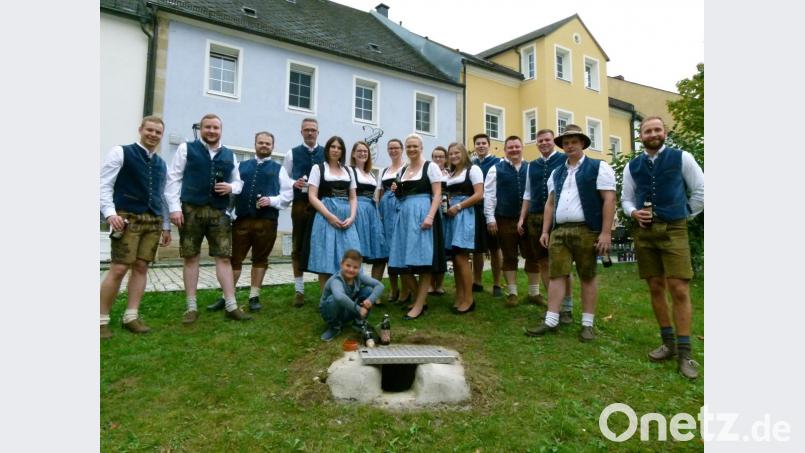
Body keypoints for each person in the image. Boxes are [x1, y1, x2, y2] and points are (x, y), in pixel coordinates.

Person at [621, 116, 704, 379]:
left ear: (664, 132)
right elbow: (626, 198)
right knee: (655, 285)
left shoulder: (682, 158)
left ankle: (685, 352)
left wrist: (684, 214)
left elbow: (701, 189)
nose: (653, 134)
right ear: (641, 136)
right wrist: (633, 212)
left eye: (657, 129)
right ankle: (667, 343)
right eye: (647, 131)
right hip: (645, 232)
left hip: (674, 229)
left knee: (678, 288)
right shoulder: (633, 165)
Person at [525, 125, 615, 342]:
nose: (570, 146)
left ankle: (587, 324)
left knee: (587, 275)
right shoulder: (557, 172)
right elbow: (549, 203)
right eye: (566, 143)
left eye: (574, 141)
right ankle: (551, 320)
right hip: (560, 230)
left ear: (583, 143)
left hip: (587, 229)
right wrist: (546, 231)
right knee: (557, 275)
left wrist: (605, 233)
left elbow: (609, 199)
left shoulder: (598, 167)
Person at [165, 113, 251, 323]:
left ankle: (231, 305)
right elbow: (173, 179)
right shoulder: (187, 148)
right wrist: (174, 208)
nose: (212, 131)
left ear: (221, 130)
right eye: (208, 127)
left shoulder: (229, 155)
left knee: (223, 257)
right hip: (190, 210)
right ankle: (191, 307)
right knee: (191, 257)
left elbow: (238, 183)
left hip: (218, 212)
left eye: (215, 128)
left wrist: (231, 187)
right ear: (201, 129)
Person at [99, 116, 172, 339]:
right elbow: (103, 185)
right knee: (119, 268)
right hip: (127, 217)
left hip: (152, 221)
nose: (153, 135)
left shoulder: (161, 164)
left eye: (158, 132)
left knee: (141, 267)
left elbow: (163, 196)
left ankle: (131, 316)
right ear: (141, 130)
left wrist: (166, 226)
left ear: (161, 135)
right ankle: (100, 320)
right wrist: (110, 213)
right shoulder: (121, 152)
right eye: (149, 130)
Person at [207, 131, 292, 313]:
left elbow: (288, 195)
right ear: (255, 144)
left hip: (267, 222)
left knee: (260, 259)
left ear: (272, 146)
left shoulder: (280, 169)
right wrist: (229, 212)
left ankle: (254, 296)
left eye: (267, 143)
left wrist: (272, 200)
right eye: (261, 142)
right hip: (242, 220)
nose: (264, 146)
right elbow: (232, 189)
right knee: (234, 259)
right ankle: (226, 297)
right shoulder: (241, 166)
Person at [517, 129, 575, 321]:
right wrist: (521, 217)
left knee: (561, 264)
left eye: (547, 140)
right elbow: (527, 194)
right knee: (542, 262)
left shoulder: (564, 160)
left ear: (553, 142)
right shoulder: (531, 165)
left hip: (558, 216)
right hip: (534, 217)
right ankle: (553, 306)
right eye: (540, 140)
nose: (543, 143)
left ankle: (566, 307)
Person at [388, 133, 447, 320]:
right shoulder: (403, 170)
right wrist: (396, 191)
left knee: (423, 263)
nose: (412, 149)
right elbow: (402, 196)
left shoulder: (431, 168)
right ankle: (421, 299)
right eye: (409, 146)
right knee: (400, 260)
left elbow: (437, 194)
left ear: (422, 147)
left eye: (415, 146)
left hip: (423, 216)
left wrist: (430, 216)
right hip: (404, 217)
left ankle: (419, 305)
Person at [483, 136, 539, 307]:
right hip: (504, 218)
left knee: (532, 255)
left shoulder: (531, 168)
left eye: (516, 146)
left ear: (522, 147)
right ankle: (513, 293)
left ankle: (534, 293)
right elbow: (490, 195)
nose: (514, 150)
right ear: (505, 149)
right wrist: (490, 218)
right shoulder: (495, 169)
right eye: (510, 147)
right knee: (509, 256)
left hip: (528, 219)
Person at [303, 136, 361, 290]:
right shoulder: (318, 168)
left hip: (346, 218)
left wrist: (352, 217)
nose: (335, 150)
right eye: (332, 147)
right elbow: (312, 196)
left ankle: (348, 294)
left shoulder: (349, 170)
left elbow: (353, 197)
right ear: (327, 149)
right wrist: (329, 216)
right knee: (326, 258)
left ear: (342, 151)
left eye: (339, 147)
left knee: (350, 255)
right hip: (325, 217)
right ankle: (326, 299)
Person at [284, 118, 325, 307]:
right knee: (298, 246)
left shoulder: (327, 153)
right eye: (307, 130)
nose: (310, 133)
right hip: (300, 204)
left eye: (313, 130)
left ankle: (325, 289)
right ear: (301, 132)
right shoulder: (291, 154)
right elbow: (284, 178)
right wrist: (294, 183)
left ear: (318, 132)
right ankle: (299, 290)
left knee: (323, 245)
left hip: (323, 205)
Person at [443, 142, 485, 314]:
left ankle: (469, 298)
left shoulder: (473, 170)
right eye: (451, 153)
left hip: (465, 215)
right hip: (452, 216)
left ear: (463, 154)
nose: (453, 156)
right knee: (455, 257)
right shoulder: (451, 173)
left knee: (461, 257)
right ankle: (460, 295)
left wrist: (459, 206)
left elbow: (479, 194)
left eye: (456, 152)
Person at [319, 250, 385, 342]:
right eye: (348, 265)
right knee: (334, 298)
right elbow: (340, 297)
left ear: (359, 268)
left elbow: (380, 285)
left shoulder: (358, 276)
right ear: (341, 264)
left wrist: (370, 300)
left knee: (369, 290)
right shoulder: (336, 280)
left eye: (355, 267)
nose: (351, 270)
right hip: (330, 312)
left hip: (347, 309)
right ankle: (334, 326)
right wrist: (359, 309)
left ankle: (359, 322)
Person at [374, 139, 410, 304]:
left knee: (400, 248)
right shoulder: (384, 170)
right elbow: (380, 192)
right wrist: (379, 212)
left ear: (402, 149)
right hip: (386, 209)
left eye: (396, 147)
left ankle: (405, 289)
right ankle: (393, 288)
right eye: (390, 148)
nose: (393, 150)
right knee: (389, 251)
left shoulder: (407, 168)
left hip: (400, 206)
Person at [470, 133, 503, 297]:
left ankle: (497, 284)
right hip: (476, 210)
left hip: (493, 211)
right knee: (477, 249)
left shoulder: (498, 163)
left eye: (484, 143)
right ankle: (477, 281)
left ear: (489, 145)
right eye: (478, 143)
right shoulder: (472, 164)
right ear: (475, 146)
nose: (481, 146)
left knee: (495, 247)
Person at [348, 141, 387, 271]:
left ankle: (372, 287)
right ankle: (355, 284)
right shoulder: (349, 171)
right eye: (359, 151)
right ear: (353, 154)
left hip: (372, 210)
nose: (363, 153)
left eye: (365, 151)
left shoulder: (370, 173)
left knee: (379, 251)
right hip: (358, 210)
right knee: (358, 249)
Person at [429, 146, 449, 296]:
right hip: (433, 213)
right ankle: (430, 283)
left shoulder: (450, 174)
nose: (438, 159)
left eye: (441, 156)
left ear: (446, 159)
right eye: (435, 156)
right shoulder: (429, 172)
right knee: (433, 247)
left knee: (442, 249)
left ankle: (440, 284)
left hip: (447, 213)